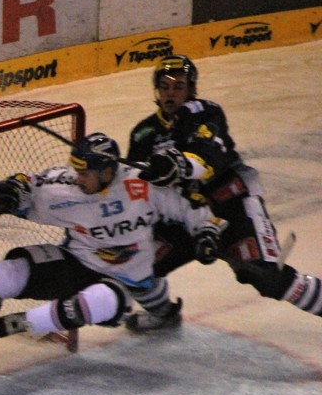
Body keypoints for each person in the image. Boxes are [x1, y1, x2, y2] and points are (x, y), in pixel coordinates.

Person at [0, 132, 224, 368]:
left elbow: (192, 209)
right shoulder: (67, 187)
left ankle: (30, 322)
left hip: (122, 282)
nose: (79, 178)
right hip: (78, 263)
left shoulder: (143, 183)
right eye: (77, 171)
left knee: (103, 299)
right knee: (1, 275)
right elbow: (29, 186)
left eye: (86, 172)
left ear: (106, 171)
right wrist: (10, 192)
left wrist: (207, 232)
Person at [125, 54, 322, 330]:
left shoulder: (207, 113)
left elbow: (210, 156)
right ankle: (163, 313)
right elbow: (137, 187)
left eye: (178, 86)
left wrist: (178, 165)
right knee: (131, 262)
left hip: (232, 207)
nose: (171, 93)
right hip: (182, 216)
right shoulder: (143, 134)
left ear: (191, 89)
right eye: (165, 86)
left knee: (269, 279)